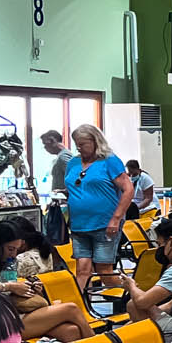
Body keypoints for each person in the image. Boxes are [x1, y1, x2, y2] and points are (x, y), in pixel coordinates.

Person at [0, 221, 90, 342]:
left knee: (71, 331)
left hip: (16, 315)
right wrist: (9, 286)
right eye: (10, 249)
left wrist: (31, 289)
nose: (13, 255)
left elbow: (12, 294)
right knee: (70, 309)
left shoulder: (8, 265)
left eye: (16, 250)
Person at [64, 122, 132, 296]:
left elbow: (128, 189)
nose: (79, 148)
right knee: (82, 270)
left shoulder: (109, 161)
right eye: (77, 144)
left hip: (105, 224)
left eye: (83, 144)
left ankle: (134, 293)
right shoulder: (73, 163)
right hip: (79, 225)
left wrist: (116, 218)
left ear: (95, 141)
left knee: (105, 273)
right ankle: (80, 308)